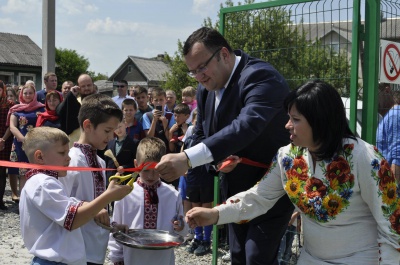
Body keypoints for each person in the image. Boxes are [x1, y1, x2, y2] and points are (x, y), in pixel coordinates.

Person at [186, 80, 400, 265]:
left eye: (296, 119)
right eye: (289, 117)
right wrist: (216, 214)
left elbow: (392, 224)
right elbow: (259, 197)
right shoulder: (288, 157)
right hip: (311, 258)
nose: (287, 125)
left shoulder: (364, 157)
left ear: (320, 121)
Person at [156, 27, 293, 265]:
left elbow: (246, 126)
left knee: (256, 258)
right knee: (239, 256)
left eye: (202, 67)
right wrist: (215, 164)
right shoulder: (206, 88)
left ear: (224, 55)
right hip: (234, 193)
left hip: (270, 191)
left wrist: (187, 159)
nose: (199, 76)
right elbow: (202, 132)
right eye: (193, 72)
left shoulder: (261, 77)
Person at [19, 126, 132, 265]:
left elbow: (76, 209)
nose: (68, 158)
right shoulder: (42, 183)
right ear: (40, 157)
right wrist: (108, 196)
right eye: (62, 153)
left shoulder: (46, 183)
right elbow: (72, 220)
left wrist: (111, 225)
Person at [58, 93, 123, 265]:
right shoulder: (71, 160)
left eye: (113, 132)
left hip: (96, 249)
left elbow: (100, 205)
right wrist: (89, 206)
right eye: (107, 131)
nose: (111, 138)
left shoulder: (100, 161)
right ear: (87, 125)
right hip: (76, 251)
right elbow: (60, 204)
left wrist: (114, 226)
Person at [108, 137, 186, 265]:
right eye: (146, 170)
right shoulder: (124, 194)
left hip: (163, 259)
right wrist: (117, 257)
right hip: (133, 259)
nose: (151, 176)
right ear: (135, 165)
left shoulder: (172, 195)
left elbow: (182, 229)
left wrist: (181, 226)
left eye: (156, 171)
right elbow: (116, 228)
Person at [182, 108, 215, 256]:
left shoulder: (210, 138)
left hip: (207, 176)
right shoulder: (189, 139)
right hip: (193, 177)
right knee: (194, 207)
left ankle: (207, 240)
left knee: (206, 207)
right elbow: (183, 154)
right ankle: (198, 237)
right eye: (196, 121)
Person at [7, 84, 44, 201]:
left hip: (36, 145)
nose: (28, 95)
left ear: (34, 95)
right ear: (21, 94)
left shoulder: (41, 109)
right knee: (23, 173)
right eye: (25, 93)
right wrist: (24, 140)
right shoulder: (15, 109)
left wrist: (33, 141)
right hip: (20, 145)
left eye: (30, 93)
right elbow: (12, 127)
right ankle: (23, 201)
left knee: (35, 173)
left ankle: (35, 200)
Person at [56, 73, 96, 147]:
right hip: (75, 145)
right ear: (78, 87)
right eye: (83, 86)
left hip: (94, 145)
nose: (86, 88)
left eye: (89, 85)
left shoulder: (100, 101)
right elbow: (59, 111)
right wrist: (70, 95)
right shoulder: (74, 102)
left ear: (93, 85)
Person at [376, 82, 400, 182]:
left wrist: (391, 191)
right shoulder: (389, 115)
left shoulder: (394, 115)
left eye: (375, 94)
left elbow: (397, 157)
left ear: (386, 91)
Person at [0, 80, 15, 210]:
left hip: (5, 142)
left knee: (1, 173)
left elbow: (11, 125)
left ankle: (0, 200)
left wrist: (3, 140)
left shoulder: (10, 105)